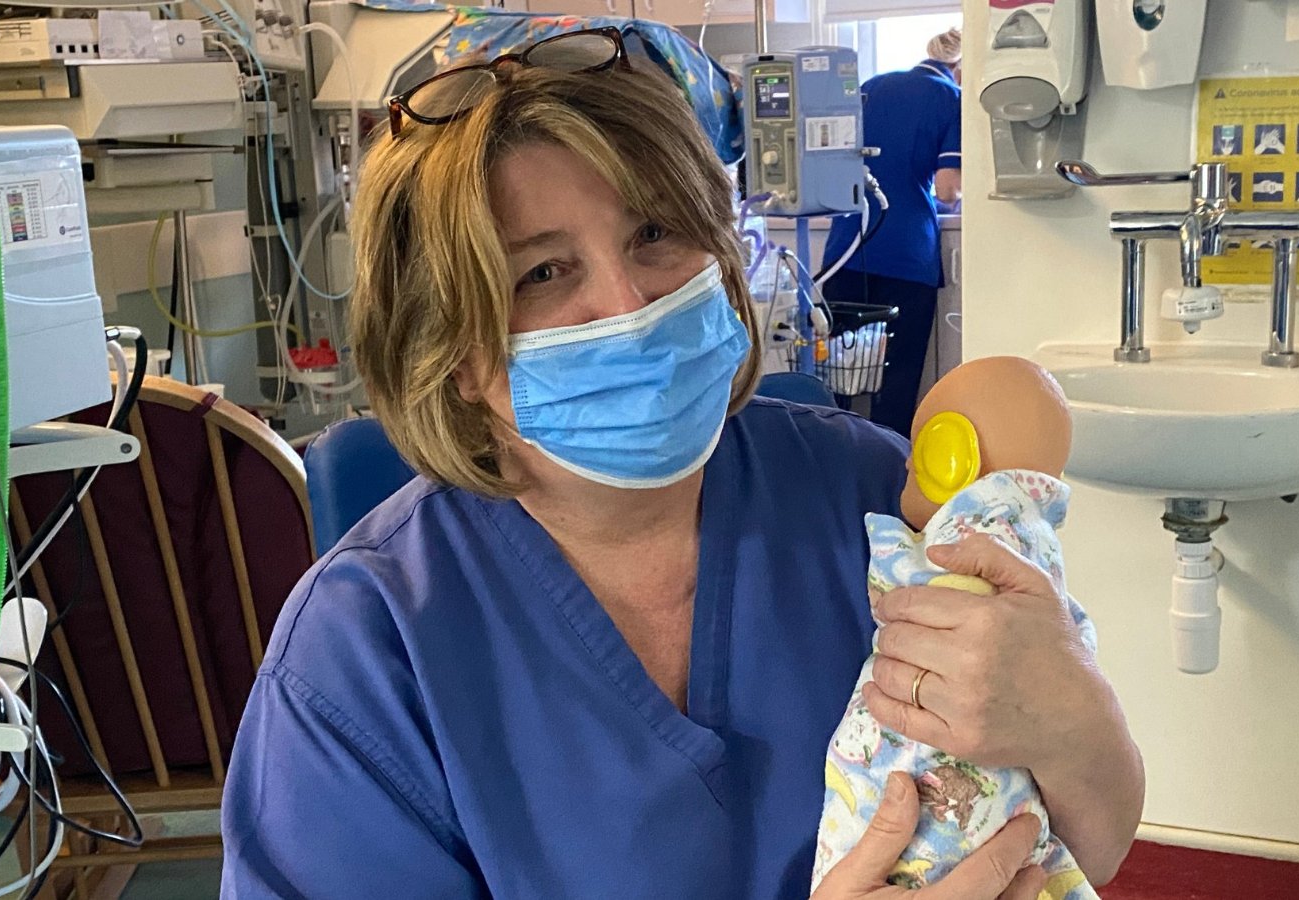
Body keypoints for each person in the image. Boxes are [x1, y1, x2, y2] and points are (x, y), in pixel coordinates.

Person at [219, 28, 1143, 899]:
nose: (629, 303)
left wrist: (1072, 712)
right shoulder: (366, 653)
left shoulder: (873, 496)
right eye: (542, 274)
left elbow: (1088, 845)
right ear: (451, 350)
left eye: (655, 233)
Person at [815, 358, 1098, 900]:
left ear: (950, 458)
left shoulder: (960, 540)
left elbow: (1105, 840)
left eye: (920, 449)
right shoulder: (1038, 551)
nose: (905, 465)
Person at [820, 28, 963, 435]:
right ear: (959, 67)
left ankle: (832, 456)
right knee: (896, 384)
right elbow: (948, 189)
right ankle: (888, 463)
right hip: (907, 256)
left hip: (845, 250)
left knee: (837, 379)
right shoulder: (950, 97)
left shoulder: (870, 86)